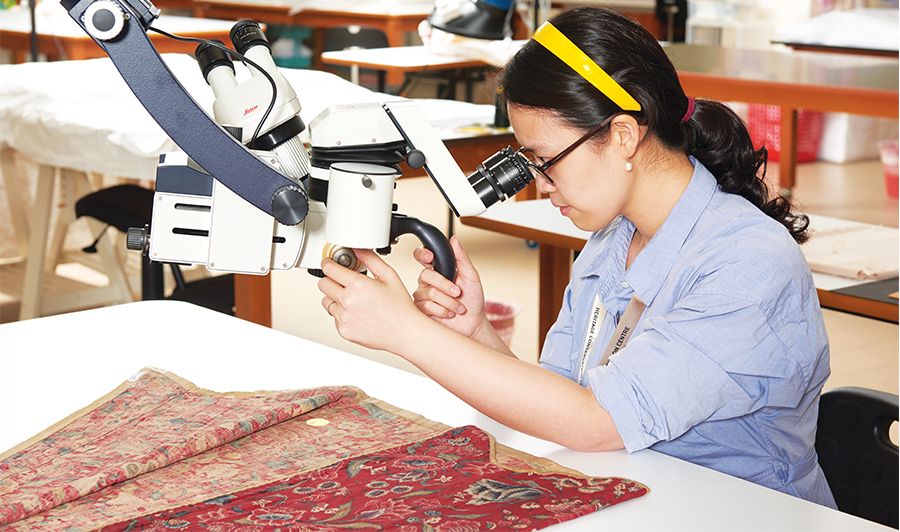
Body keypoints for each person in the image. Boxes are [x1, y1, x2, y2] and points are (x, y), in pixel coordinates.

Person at [317, 7, 836, 508]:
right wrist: (474, 332)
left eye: (546, 161)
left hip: (743, 513)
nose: (541, 186)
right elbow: (561, 401)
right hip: (636, 489)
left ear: (624, 135)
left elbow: (598, 422)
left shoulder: (748, 264)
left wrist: (407, 332)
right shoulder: (613, 241)